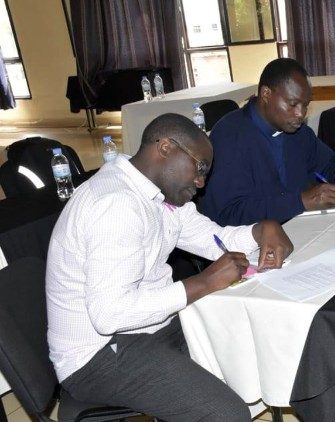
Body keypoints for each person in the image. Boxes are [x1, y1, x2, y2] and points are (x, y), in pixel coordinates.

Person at [47, 113, 294, 421]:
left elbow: (214, 238)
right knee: (226, 413)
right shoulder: (115, 204)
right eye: (200, 167)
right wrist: (204, 283)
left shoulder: (160, 195)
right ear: (165, 148)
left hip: (146, 326)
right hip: (97, 355)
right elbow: (109, 314)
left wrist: (262, 230)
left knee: (256, 346)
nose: (201, 181)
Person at [200, 58, 335, 225]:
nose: (300, 114)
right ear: (266, 94)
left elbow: (331, 164)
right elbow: (228, 213)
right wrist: (301, 201)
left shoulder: (298, 133)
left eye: (305, 105)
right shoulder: (229, 138)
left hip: (299, 226)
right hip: (249, 244)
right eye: (293, 104)